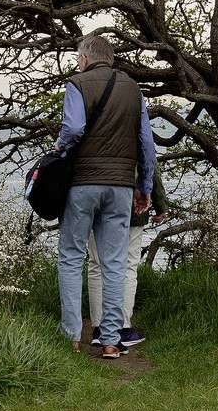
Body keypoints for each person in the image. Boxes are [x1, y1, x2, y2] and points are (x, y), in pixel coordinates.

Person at [56, 34, 158, 359]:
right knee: (114, 263)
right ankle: (112, 341)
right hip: (120, 188)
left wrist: (59, 151)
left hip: (82, 184)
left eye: (78, 59)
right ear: (110, 58)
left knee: (72, 258)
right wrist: (145, 186)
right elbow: (147, 145)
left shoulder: (77, 83)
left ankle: (71, 336)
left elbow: (72, 130)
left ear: (85, 58)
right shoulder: (133, 89)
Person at [84, 174, 164, 351]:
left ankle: (98, 328)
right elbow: (149, 166)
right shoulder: (135, 143)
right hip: (130, 204)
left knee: (96, 264)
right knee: (128, 265)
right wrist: (160, 205)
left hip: (93, 199)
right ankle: (123, 328)